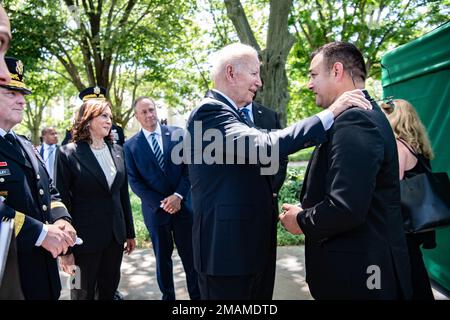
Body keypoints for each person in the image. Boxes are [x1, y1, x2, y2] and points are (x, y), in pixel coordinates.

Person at [185, 42, 371, 299]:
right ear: (230, 73)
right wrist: (330, 113)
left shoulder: (235, 114)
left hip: (251, 248)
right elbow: (266, 145)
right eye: (254, 73)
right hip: (226, 254)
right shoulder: (209, 112)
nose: (259, 82)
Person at [279, 41, 413, 300]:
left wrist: (301, 220)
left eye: (313, 75)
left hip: (359, 276)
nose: (309, 84)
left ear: (337, 71)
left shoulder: (356, 119)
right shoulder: (363, 115)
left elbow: (345, 207)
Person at [0, 59, 76, 297]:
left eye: (22, 93)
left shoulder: (24, 144)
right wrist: (40, 233)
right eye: (11, 93)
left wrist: (61, 218)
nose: (21, 100)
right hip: (9, 275)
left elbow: (48, 190)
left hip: (43, 270)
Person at [56, 98, 136, 300]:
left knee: (109, 292)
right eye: (103, 115)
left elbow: (121, 194)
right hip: (82, 241)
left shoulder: (117, 151)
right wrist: (66, 249)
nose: (109, 120)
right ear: (88, 120)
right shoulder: (67, 153)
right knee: (80, 293)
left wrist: (129, 232)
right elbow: (62, 203)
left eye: (110, 116)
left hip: (114, 238)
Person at [124, 96, 200, 300]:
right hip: (156, 213)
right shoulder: (130, 146)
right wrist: (164, 203)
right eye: (144, 112)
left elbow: (189, 168)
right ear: (136, 116)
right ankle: (168, 297)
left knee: (192, 258)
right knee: (162, 260)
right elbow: (135, 182)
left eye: (152, 110)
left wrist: (177, 196)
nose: (149, 115)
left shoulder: (178, 135)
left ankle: (197, 297)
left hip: (184, 208)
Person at [381, 98, 435, 300]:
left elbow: (391, 186)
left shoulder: (398, 146)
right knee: (415, 269)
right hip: (416, 224)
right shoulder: (417, 146)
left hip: (402, 225)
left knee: (408, 274)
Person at [241, 100, 288, 299]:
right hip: (238, 206)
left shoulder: (269, 115)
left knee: (266, 265)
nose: (257, 82)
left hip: (268, 201)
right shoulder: (224, 114)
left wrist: (270, 189)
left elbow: (280, 156)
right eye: (252, 74)